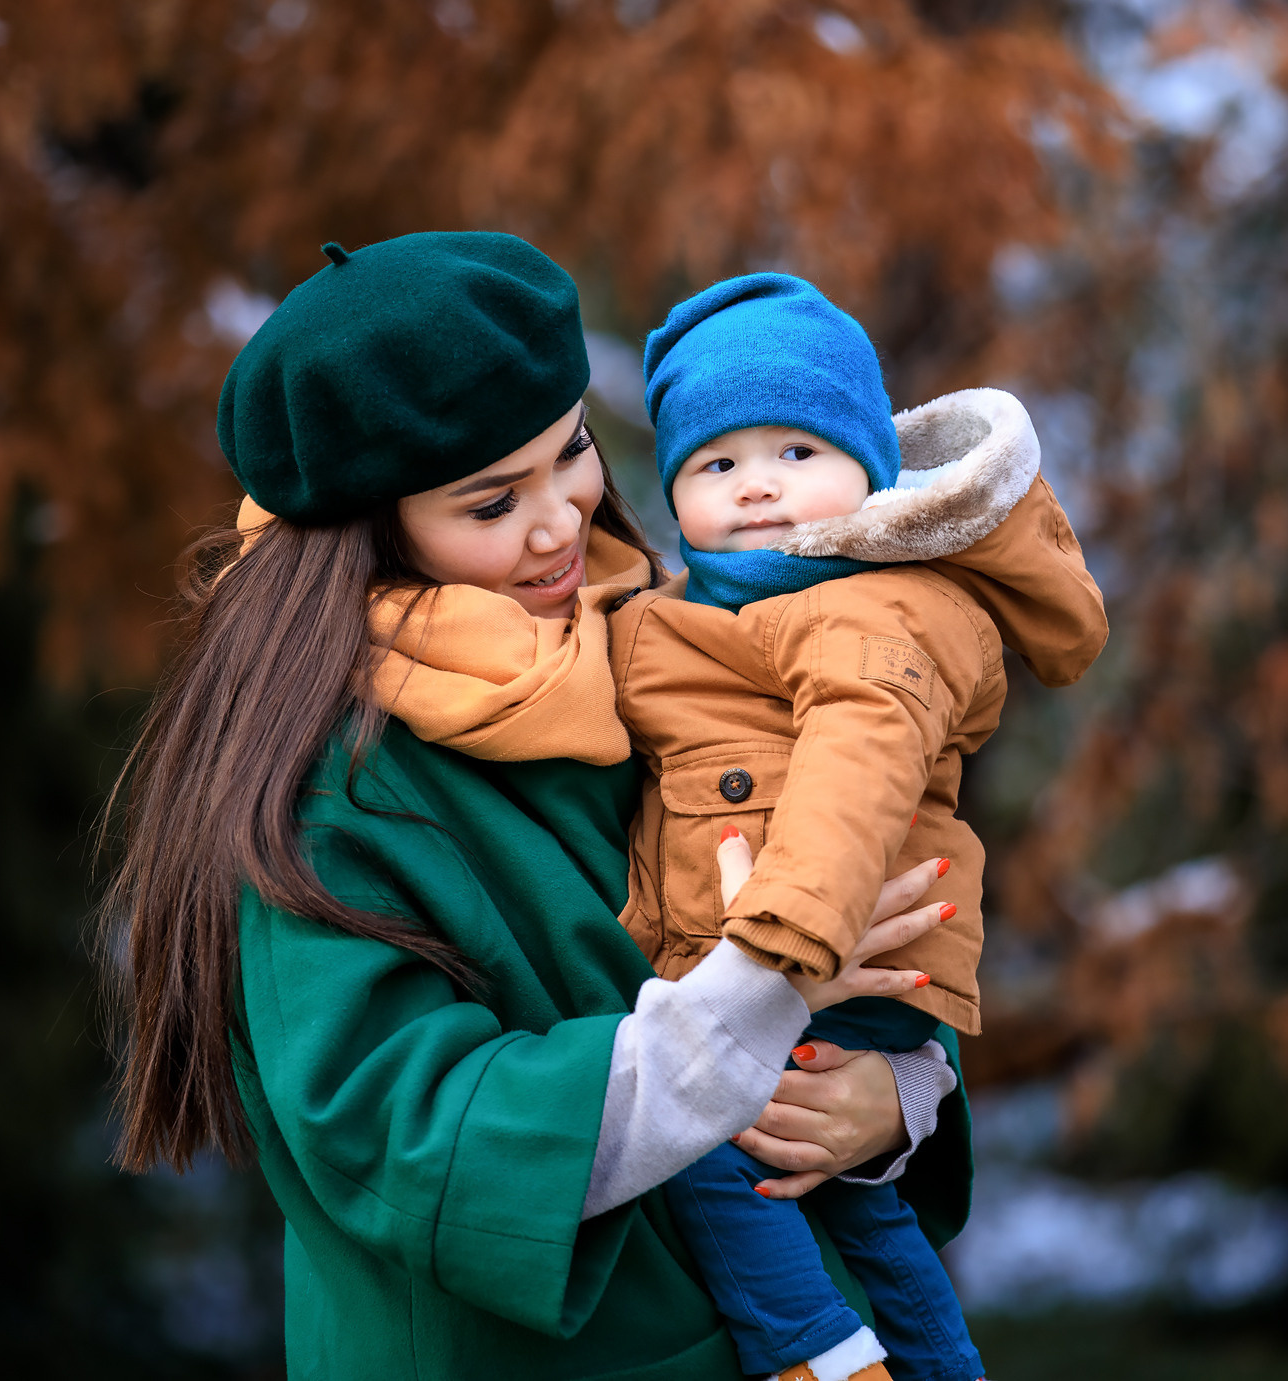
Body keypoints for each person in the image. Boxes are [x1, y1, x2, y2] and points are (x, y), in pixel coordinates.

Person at [101, 232, 973, 1380]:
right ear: (371, 526)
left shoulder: (668, 638)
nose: (560, 521)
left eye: (568, 453)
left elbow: (877, 931)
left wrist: (889, 1101)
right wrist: (749, 1006)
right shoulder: (324, 787)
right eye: (489, 501)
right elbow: (405, 1136)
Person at [608, 274, 1109, 1381]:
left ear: (869, 471)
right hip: (800, 965)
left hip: (827, 951)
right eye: (714, 463)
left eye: (796, 452)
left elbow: (860, 759)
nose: (755, 489)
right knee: (864, 1215)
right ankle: (937, 1361)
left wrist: (782, 937)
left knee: (702, 1148)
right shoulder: (696, 613)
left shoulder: (876, 605)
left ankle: (818, 1357)